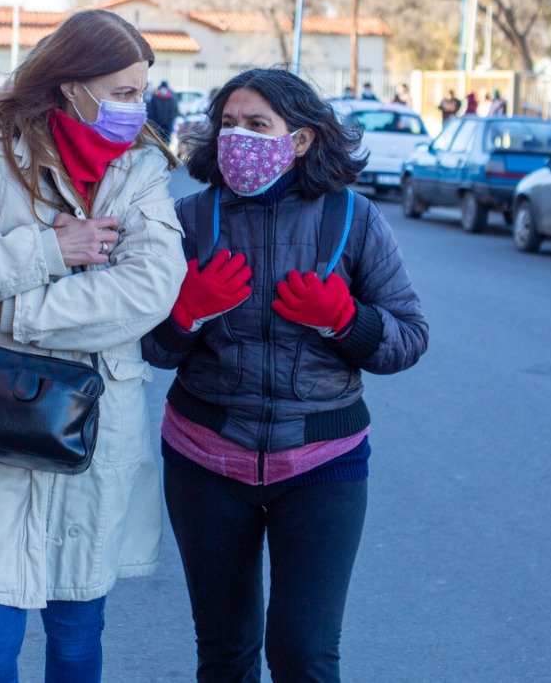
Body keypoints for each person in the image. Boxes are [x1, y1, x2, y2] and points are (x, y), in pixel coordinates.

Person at [0, 9, 187, 683]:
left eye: (141, 91)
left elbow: (146, 292)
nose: (136, 107)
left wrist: (16, 310)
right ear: (70, 86)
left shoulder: (140, 168)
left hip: (88, 433)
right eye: (121, 92)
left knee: (78, 640)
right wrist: (48, 250)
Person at [141, 67, 428, 683]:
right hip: (205, 459)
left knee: (304, 654)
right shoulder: (188, 220)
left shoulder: (353, 219)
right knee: (225, 654)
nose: (237, 138)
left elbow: (409, 337)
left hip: (323, 461)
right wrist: (184, 314)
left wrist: (347, 321)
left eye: (257, 124)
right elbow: (150, 348)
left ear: (299, 139)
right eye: (228, 124)